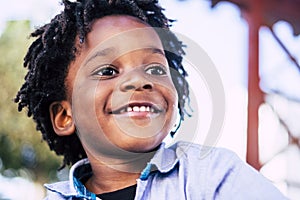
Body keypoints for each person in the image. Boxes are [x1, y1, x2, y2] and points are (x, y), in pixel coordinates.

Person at [15, 0, 287, 199]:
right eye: (108, 71)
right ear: (65, 116)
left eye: (156, 69)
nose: (140, 80)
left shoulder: (211, 175)